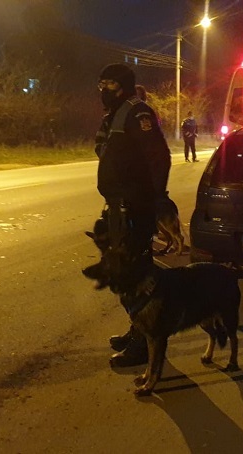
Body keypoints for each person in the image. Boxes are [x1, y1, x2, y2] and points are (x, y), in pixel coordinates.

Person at [86, 63, 172, 367]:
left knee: (137, 273)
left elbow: (159, 157)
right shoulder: (114, 114)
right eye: (101, 85)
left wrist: (158, 198)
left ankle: (144, 340)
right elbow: (107, 152)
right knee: (126, 272)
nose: (103, 90)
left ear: (122, 85)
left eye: (108, 84)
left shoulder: (138, 112)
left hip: (136, 206)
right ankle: (137, 328)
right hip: (119, 206)